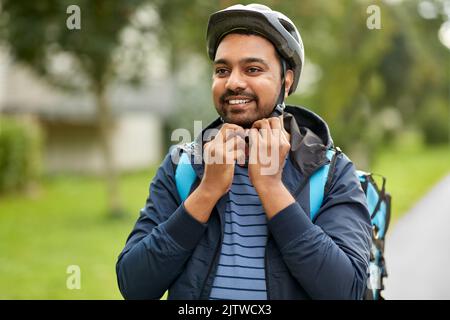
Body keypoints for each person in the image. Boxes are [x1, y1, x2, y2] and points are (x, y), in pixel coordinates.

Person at [116, 3, 372, 300]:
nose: (234, 82)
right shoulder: (182, 165)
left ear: (286, 82)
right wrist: (207, 191)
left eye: (253, 69)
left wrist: (271, 187)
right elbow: (134, 286)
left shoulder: (330, 171)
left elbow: (346, 292)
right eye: (222, 70)